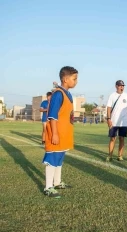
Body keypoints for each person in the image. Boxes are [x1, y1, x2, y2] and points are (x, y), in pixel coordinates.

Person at [42, 66, 78, 198]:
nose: (76, 81)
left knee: (60, 158)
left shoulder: (68, 94)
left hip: (65, 132)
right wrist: (55, 133)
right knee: (52, 158)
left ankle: (57, 182)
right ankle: (48, 187)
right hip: (57, 133)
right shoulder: (58, 94)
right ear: (65, 79)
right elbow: (52, 115)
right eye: (74, 78)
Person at [105, 80, 127, 162]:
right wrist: (109, 119)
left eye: (123, 86)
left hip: (124, 121)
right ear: (116, 86)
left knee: (122, 138)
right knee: (112, 138)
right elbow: (109, 107)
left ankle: (120, 156)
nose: (122, 87)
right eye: (120, 85)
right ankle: (110, 155)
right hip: (114, 121)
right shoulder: (112, 95)